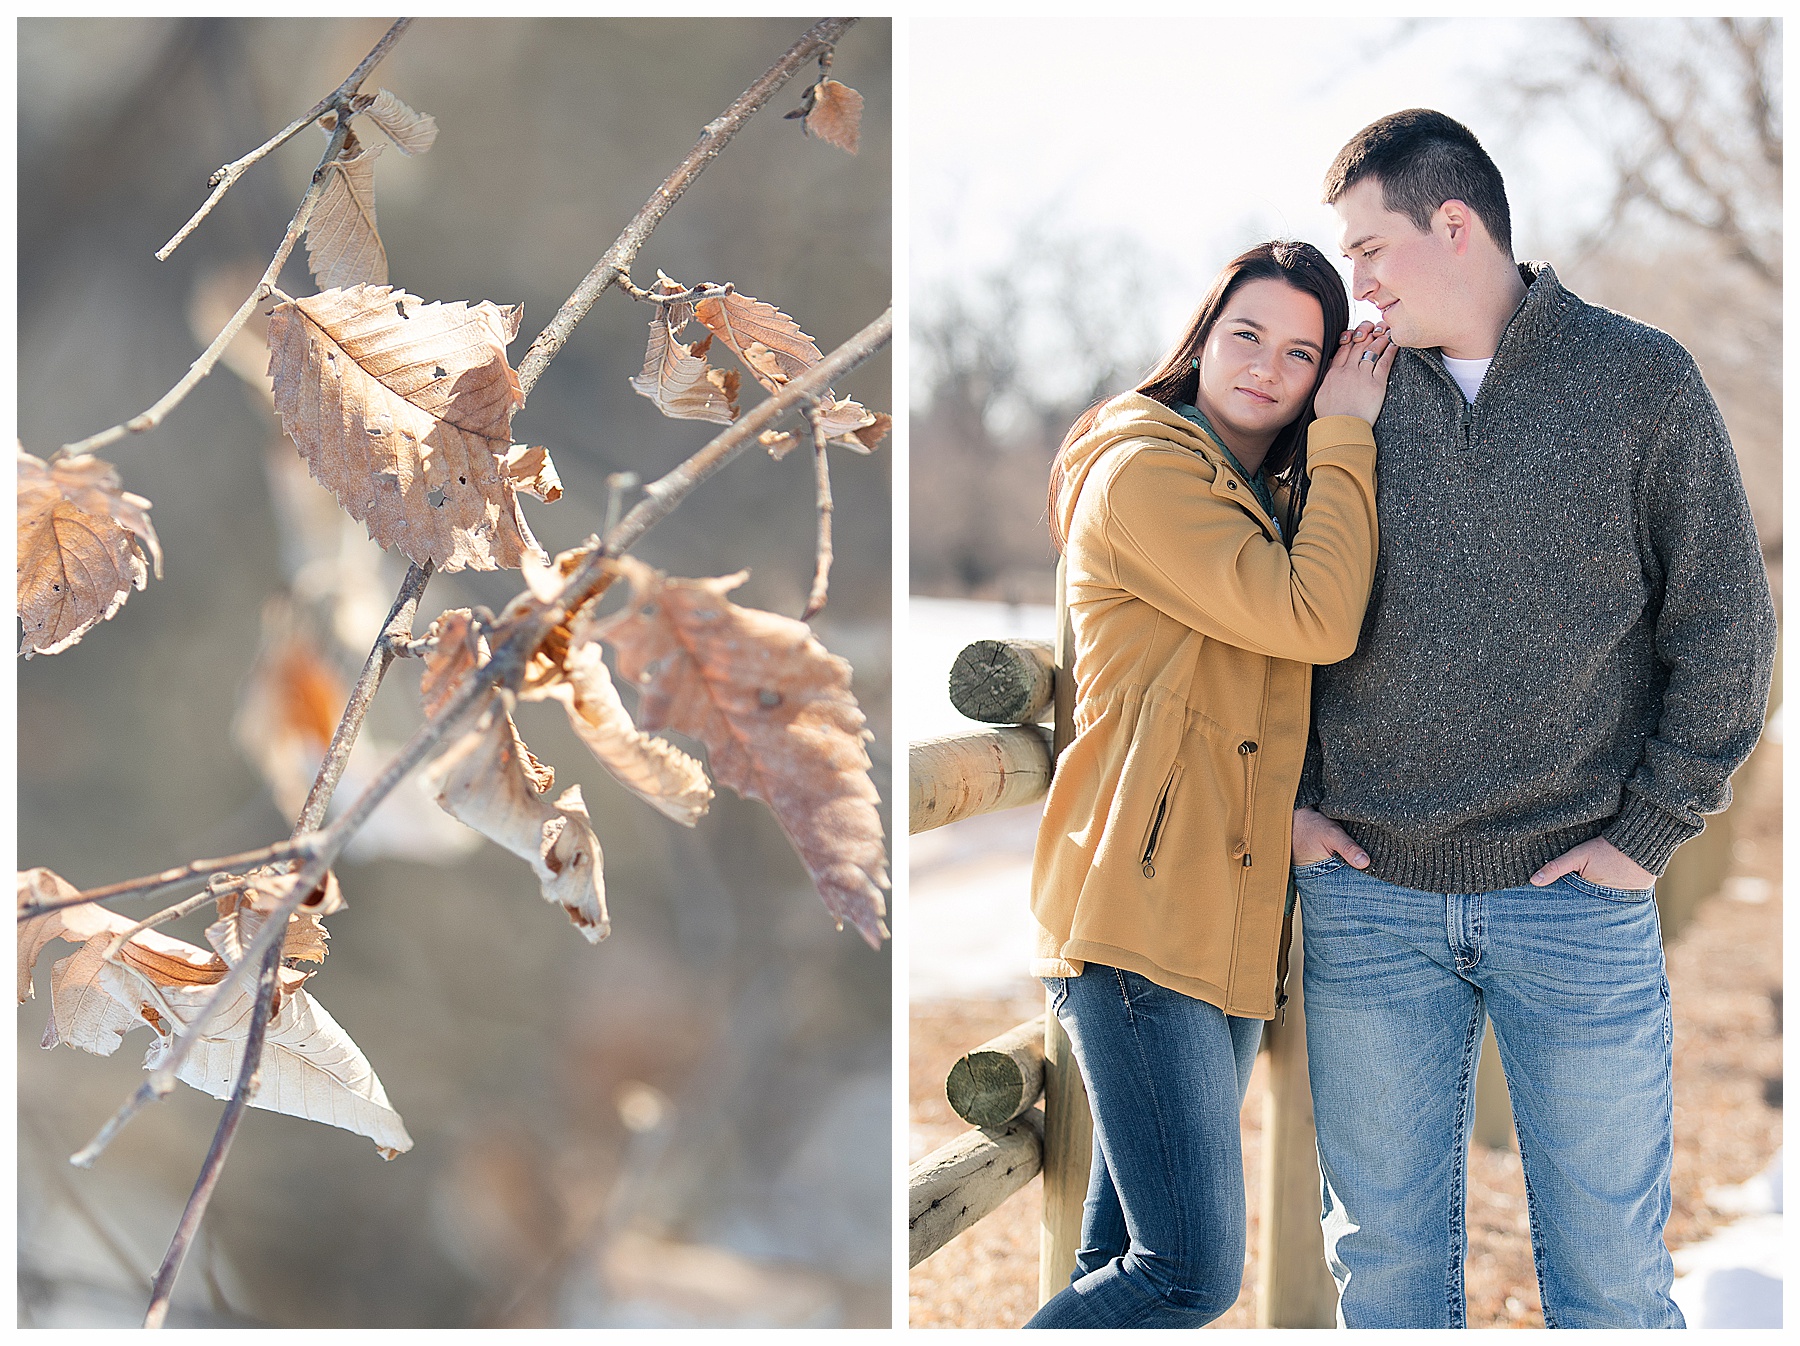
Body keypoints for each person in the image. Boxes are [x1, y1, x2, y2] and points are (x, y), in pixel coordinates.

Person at [1292, 109, 1778, 1329]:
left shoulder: (1636, 378)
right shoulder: (1341, 396)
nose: (1351, 279)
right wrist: (1292, 802)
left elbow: (1726, 622)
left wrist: (1650, 834)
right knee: (1388, 1280)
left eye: (1367, 249)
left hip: (1577, 902)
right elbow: (1266, 612)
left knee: (1610, 1285)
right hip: (1370, 899)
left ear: (1453, 224)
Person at [1025, 239, 1393, 1328]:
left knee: (1120, 1256)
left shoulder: (1244, 490)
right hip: (1139, 912)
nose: (1267, 368)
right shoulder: (1145, 469)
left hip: (1217, 906)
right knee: (1186, 1273)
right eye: (1247, 335)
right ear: (1201, 335)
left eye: (1300, 352)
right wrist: (1347, 439)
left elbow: (1232, 696)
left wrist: (1285, 812)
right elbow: (1315, 617)